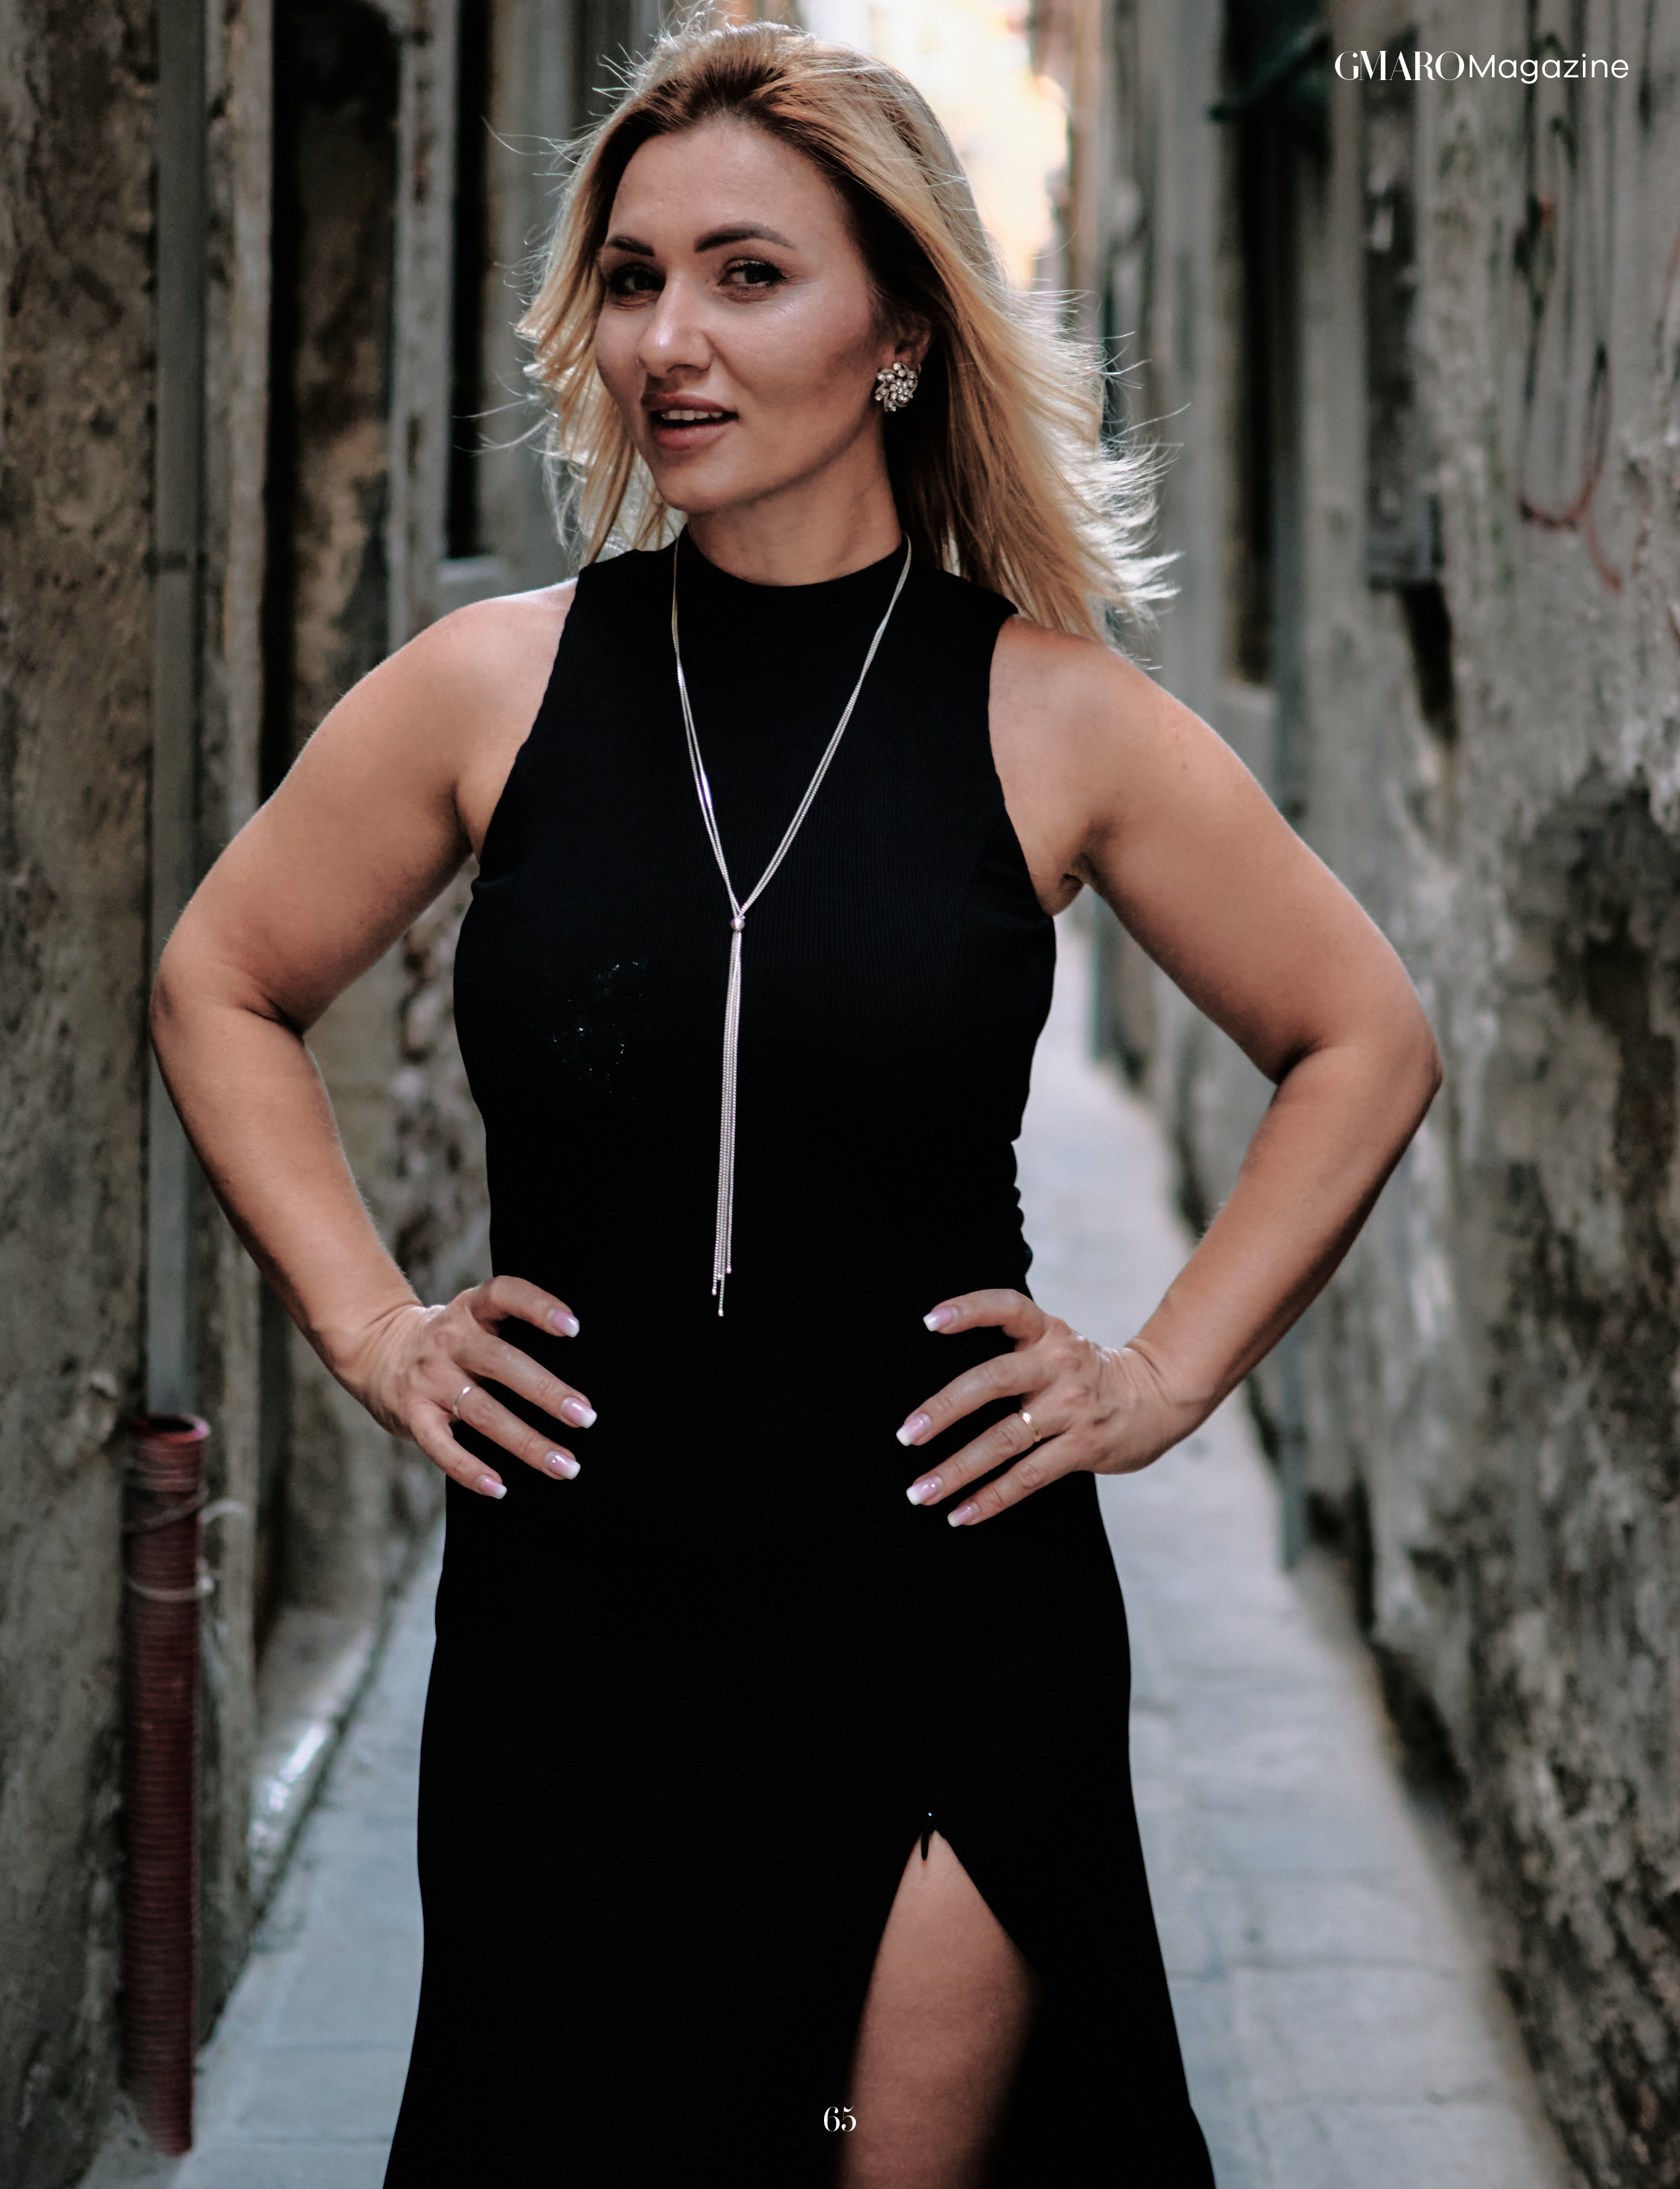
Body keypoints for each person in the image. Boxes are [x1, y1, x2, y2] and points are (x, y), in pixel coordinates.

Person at [151, 17, 1441, 2186]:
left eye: (747, 275)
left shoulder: (1054, 716)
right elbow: (219, 977)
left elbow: (1363, 1034)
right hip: (573, 1631)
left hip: (949, 1618)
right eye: (633, 278)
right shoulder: (492, 685)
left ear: (902, 332)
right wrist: (368, 1324)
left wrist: (1156, 1375)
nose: (668, 338)